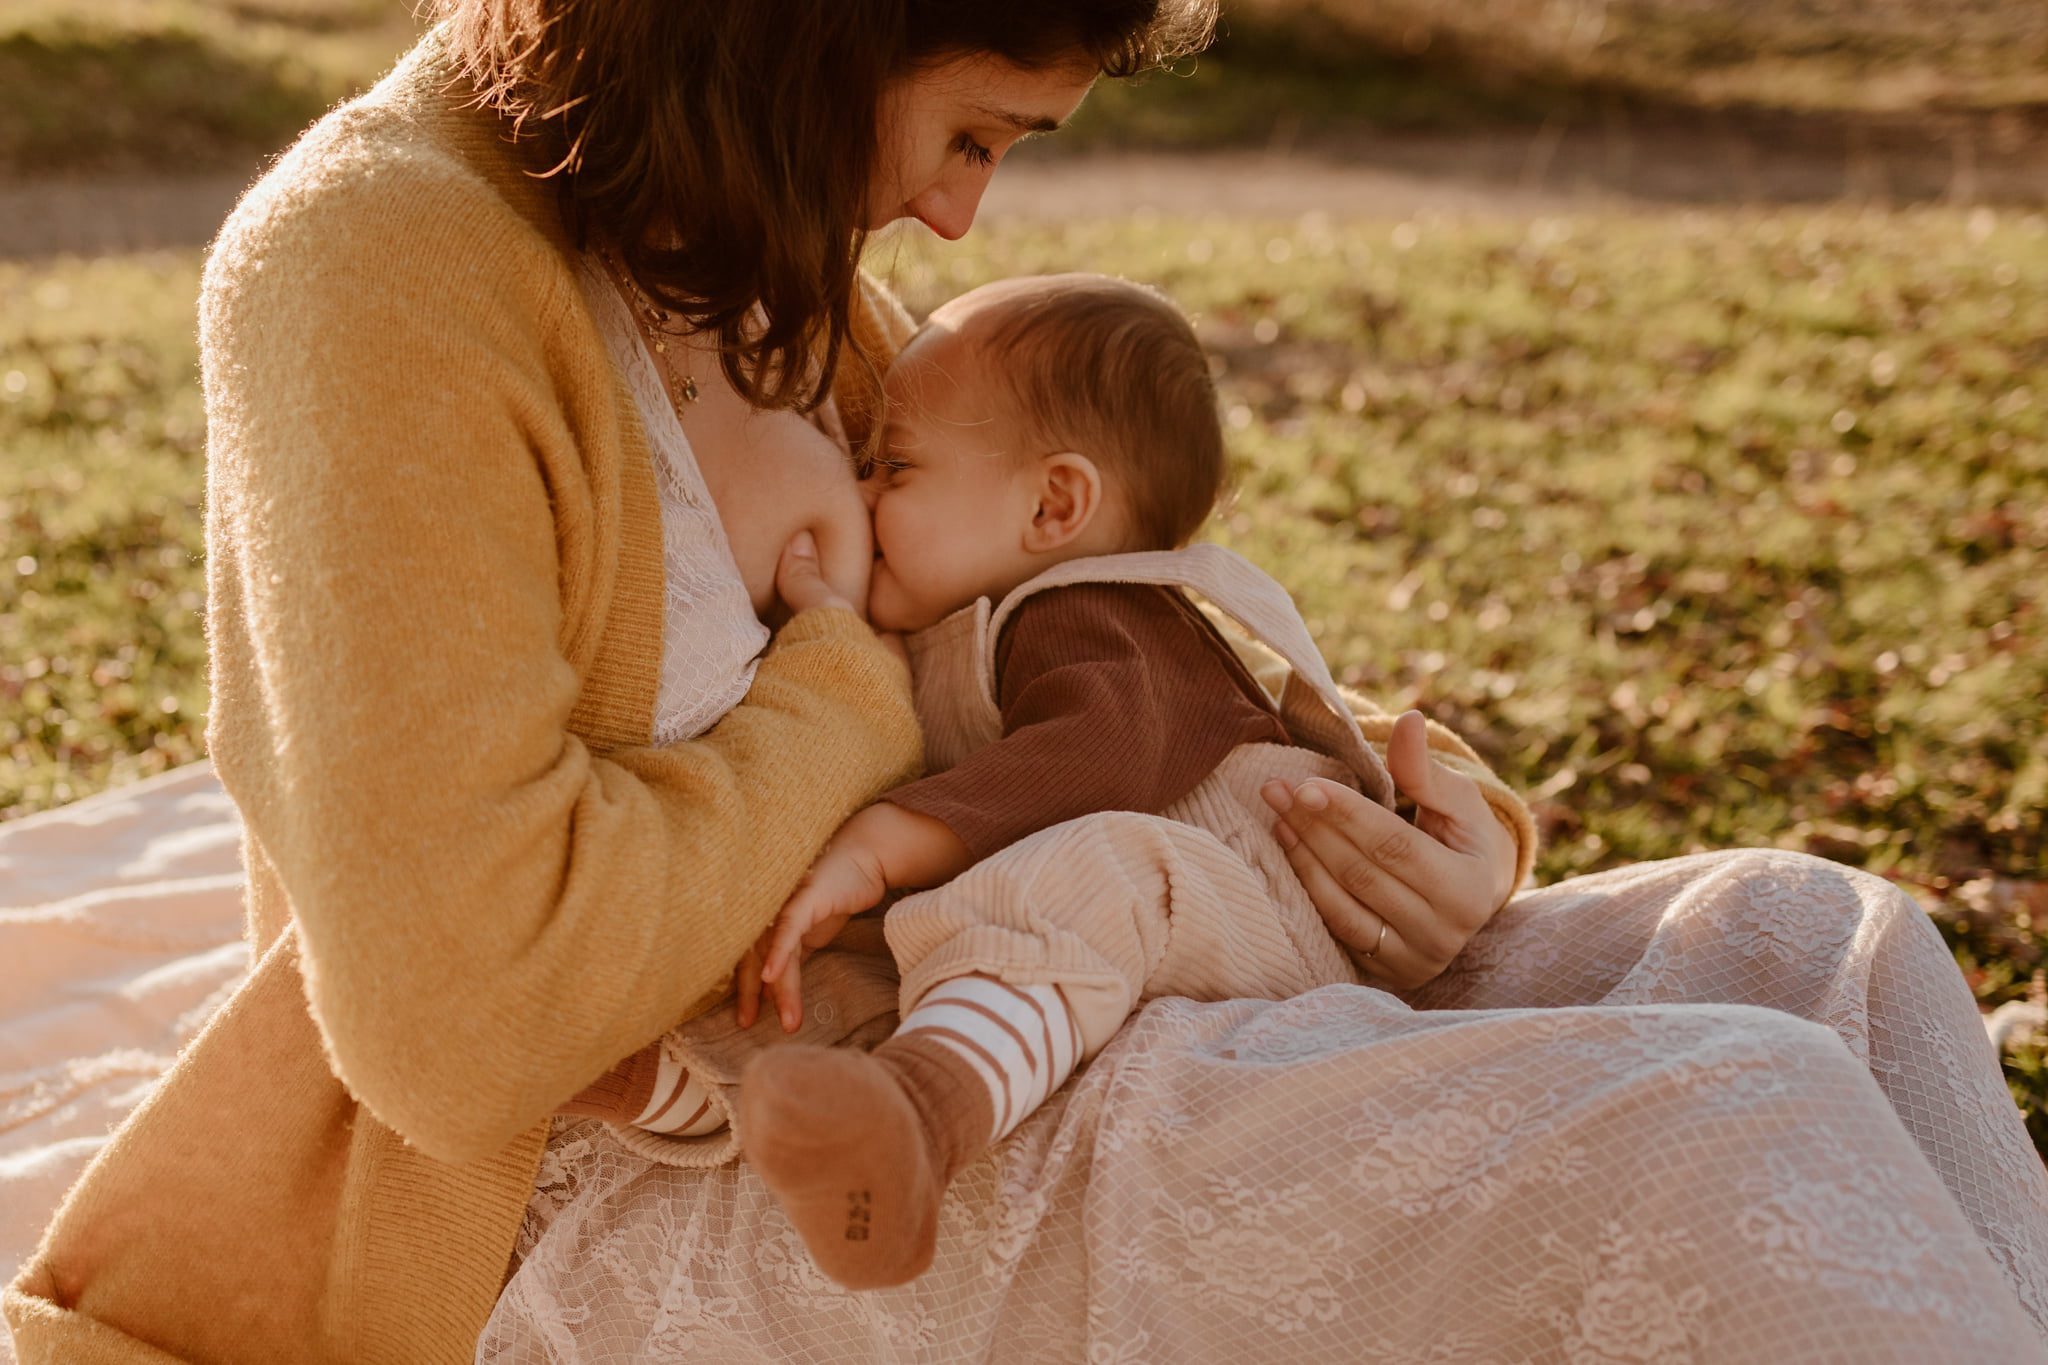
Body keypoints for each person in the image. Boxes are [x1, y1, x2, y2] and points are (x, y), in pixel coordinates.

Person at [9, 0, 2047, 1359]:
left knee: (1813, 946)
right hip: (653, 1172)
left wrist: (1420, 847)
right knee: (1714, 1119)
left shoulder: (745, 243)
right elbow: (460, 1022)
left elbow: (1081, 641)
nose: (964, 211)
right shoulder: (382, 266)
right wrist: (838, 686)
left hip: (1018, 979)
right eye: (973, 126)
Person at [726, 271, 1524, 1289]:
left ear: (1054, 504)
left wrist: (883, 843)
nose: (863, 492)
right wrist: (837, 621)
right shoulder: (994, 611)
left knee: (1082, 871)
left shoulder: (1085, 610)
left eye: (894, 465)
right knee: (947, 928)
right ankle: (763, 1118)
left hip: (1260, 894)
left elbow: (1097, 755)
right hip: (1192, 920)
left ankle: (923, 1118)